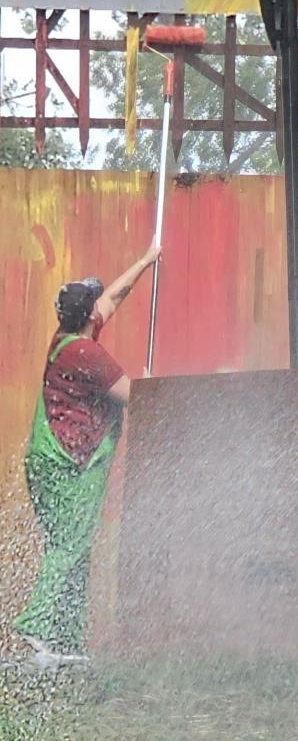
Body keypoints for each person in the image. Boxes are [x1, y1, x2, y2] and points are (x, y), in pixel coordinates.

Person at [13, 244, 162, 664]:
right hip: (70, 464)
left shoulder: (68, 338)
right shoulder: (86, 354)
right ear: (88, 313)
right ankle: (36, 624)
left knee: (75, 549)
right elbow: (134, 397)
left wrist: (146, 260)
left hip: (51, 459)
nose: (102, 301)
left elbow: (114, 296)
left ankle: (64, 642)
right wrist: (148, 384)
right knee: (70, 544)